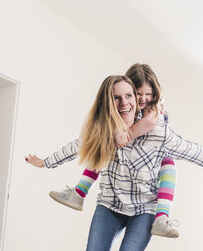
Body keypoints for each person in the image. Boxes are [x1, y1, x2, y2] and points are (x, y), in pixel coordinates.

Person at [26, 74, 203, 251]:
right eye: (116, 98)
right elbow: (77, 146)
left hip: (144, 209)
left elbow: (194, 151)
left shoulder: (159, 132)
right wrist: (45, 162)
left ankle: (162, 216)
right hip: (110, 204)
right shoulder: (103, 130)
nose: (125, 103)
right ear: (108, 102)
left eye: (129, 96)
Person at [50, 63, 182, 238]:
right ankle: (79, 193)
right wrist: (113, 133)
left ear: (155, 94)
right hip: (123, 163)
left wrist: (124, 135)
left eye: (148, 94)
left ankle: (161, 217)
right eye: (138, 94)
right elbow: (104, 125)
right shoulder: (122, 107)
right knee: (102, 146)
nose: (143, 99)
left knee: (170, 166)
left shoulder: (155, 110)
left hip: (151, 159)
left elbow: (149, 122)